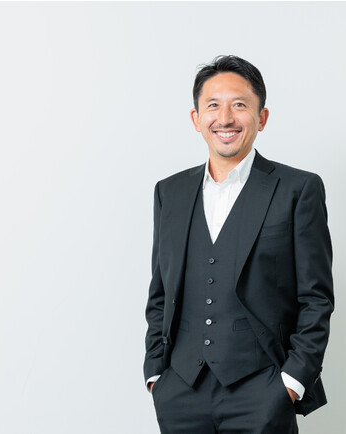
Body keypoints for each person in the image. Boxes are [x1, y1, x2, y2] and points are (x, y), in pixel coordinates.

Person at [143, 55, 334, 434]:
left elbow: (316, 298)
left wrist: (292, 382)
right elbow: (160, 291)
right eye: (213, 105)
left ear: (262, 117)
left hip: (262, 392)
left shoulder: (297, 189)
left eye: (240, 105)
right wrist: (155, 374)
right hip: (180, 391)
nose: (225, 118)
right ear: (196, 118)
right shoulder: (170, 192)